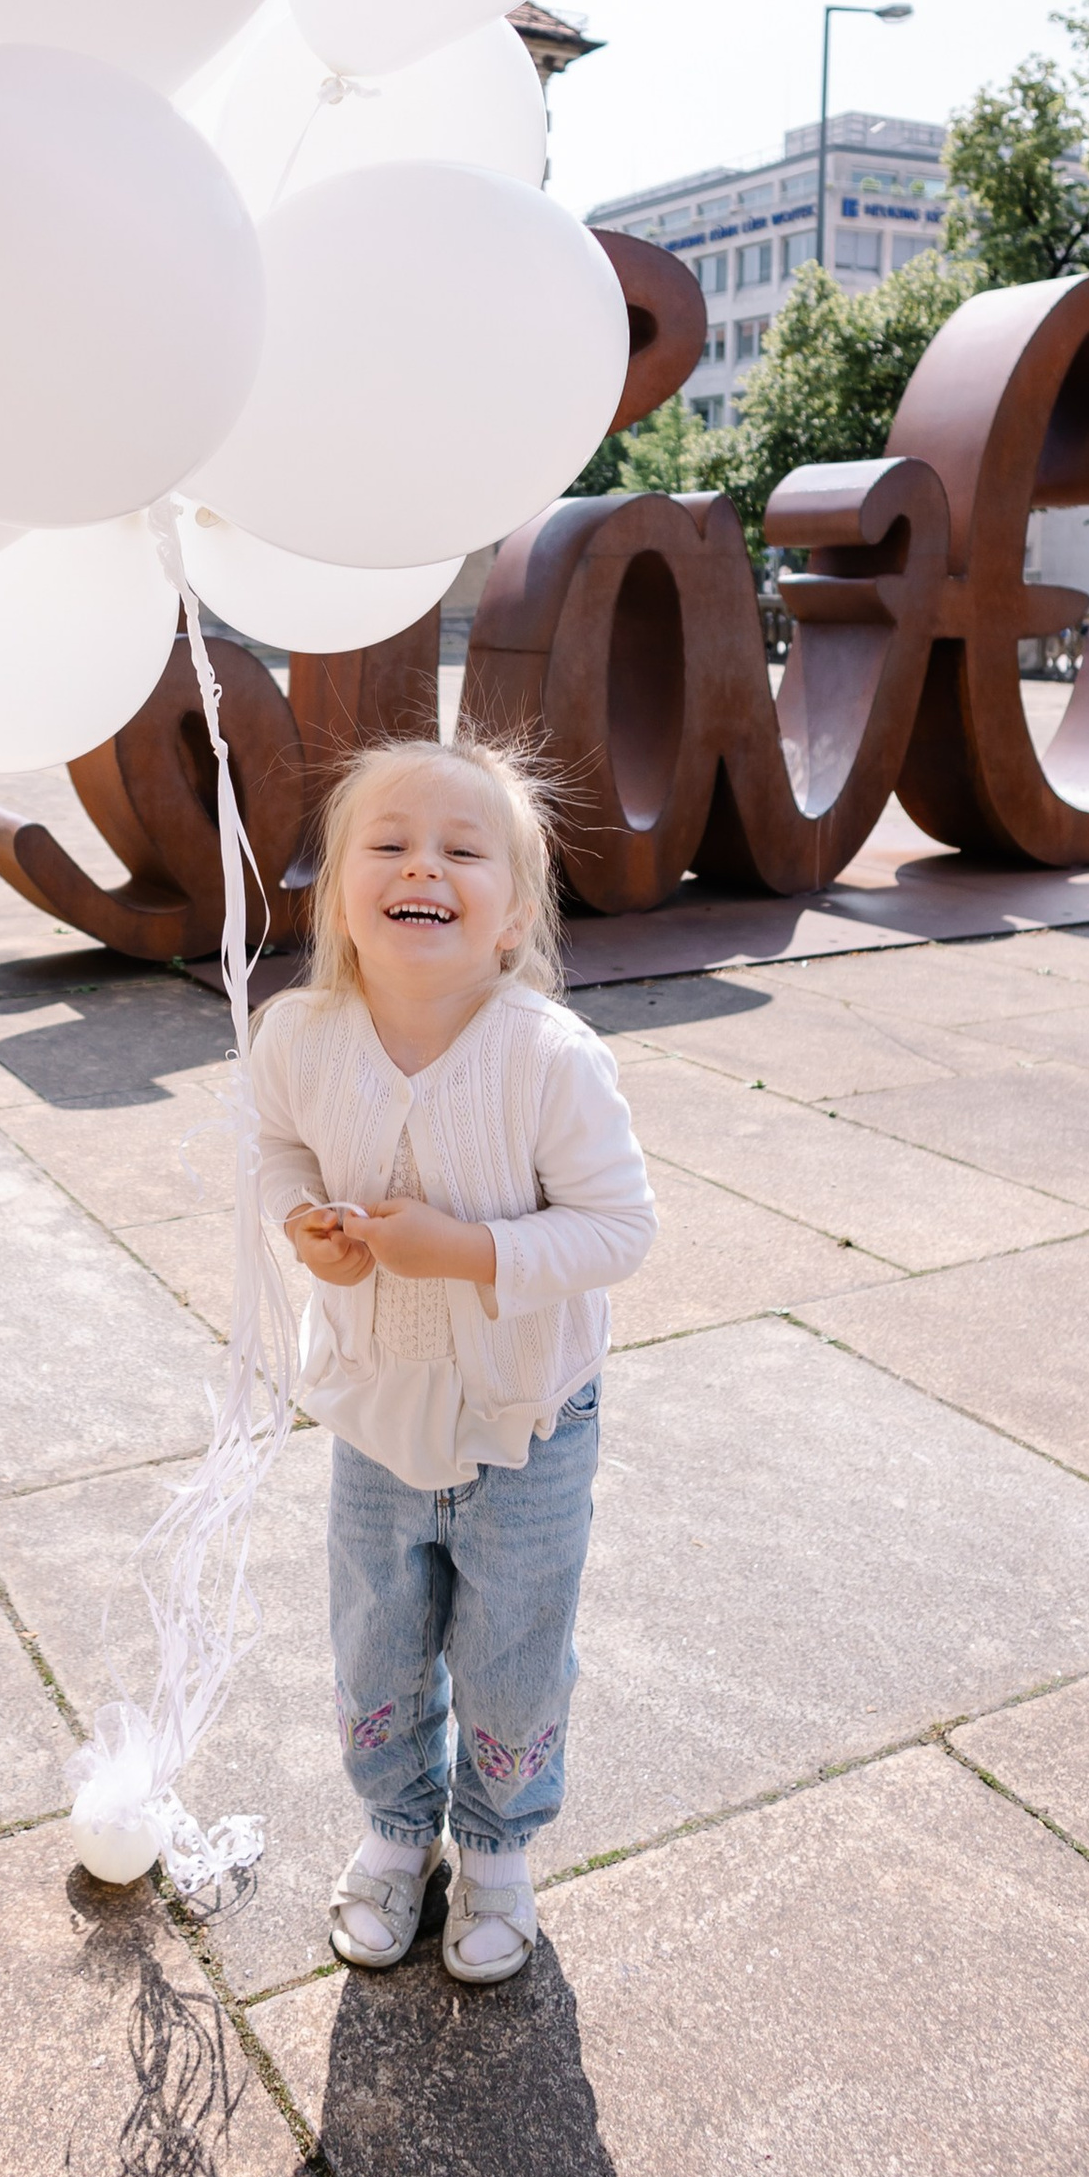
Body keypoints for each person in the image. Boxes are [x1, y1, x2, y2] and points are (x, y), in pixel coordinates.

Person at [250, 735, 656, 1985]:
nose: (421, 864)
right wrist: (305, 1228)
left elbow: (618, 1228)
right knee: (376, 1631)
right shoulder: (299, 1038)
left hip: (525, 1414)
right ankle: (392, 1832)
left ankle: (496, 1850)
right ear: (340, 897)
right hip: (376, 1409)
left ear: (509, 915)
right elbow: (274, 1149)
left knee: (513, 1643)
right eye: (388, 843)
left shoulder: (546, 1061)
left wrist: (468, 1251)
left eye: (461, 850)